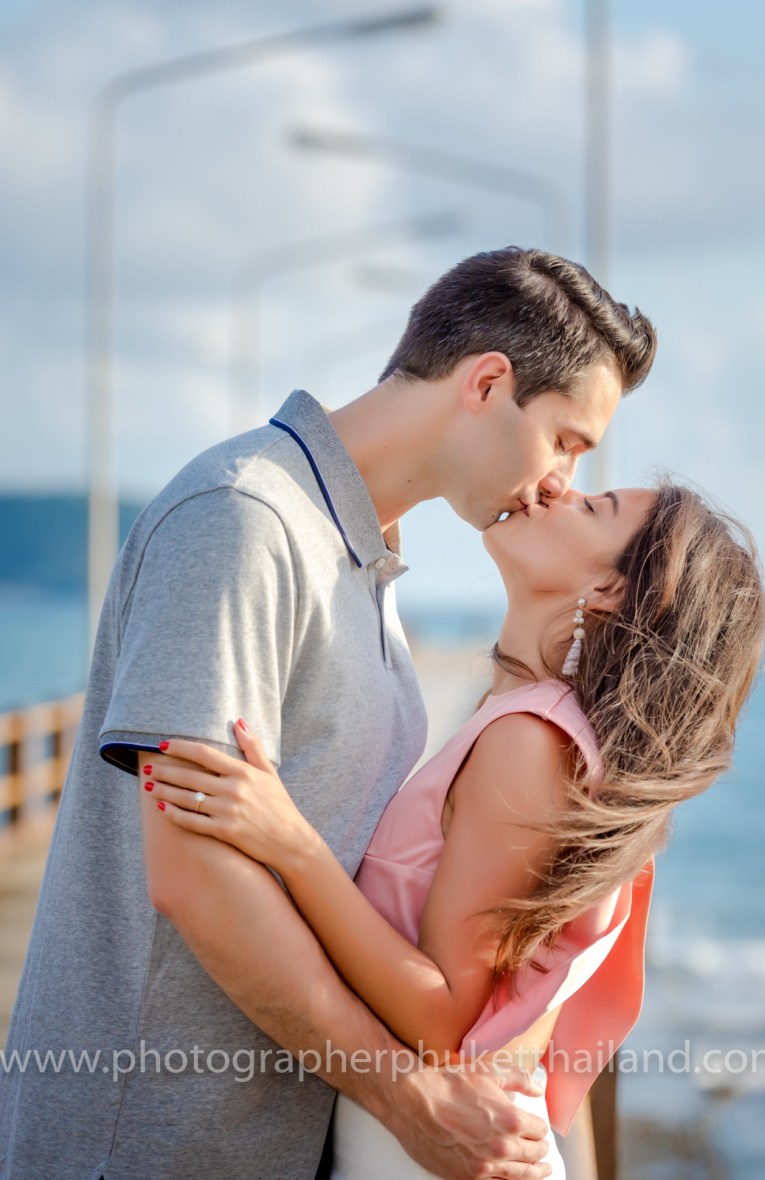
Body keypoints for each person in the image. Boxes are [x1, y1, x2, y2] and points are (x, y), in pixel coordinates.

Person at [0, 248, 657, 1180]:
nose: (557, 481)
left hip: (266, 1141)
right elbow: (193, 877)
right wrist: (406, 1096)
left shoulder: (368, 565)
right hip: (146, 1137)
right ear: (486, 382)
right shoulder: (244, 521)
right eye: (566, 441)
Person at [144, 479, 765, 1179]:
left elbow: (442, 1022)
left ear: (606, 592)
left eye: (592, 508)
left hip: (431, 1149)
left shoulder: (529, 742)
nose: (559, 487)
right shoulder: (530, 722)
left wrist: (289, 841)